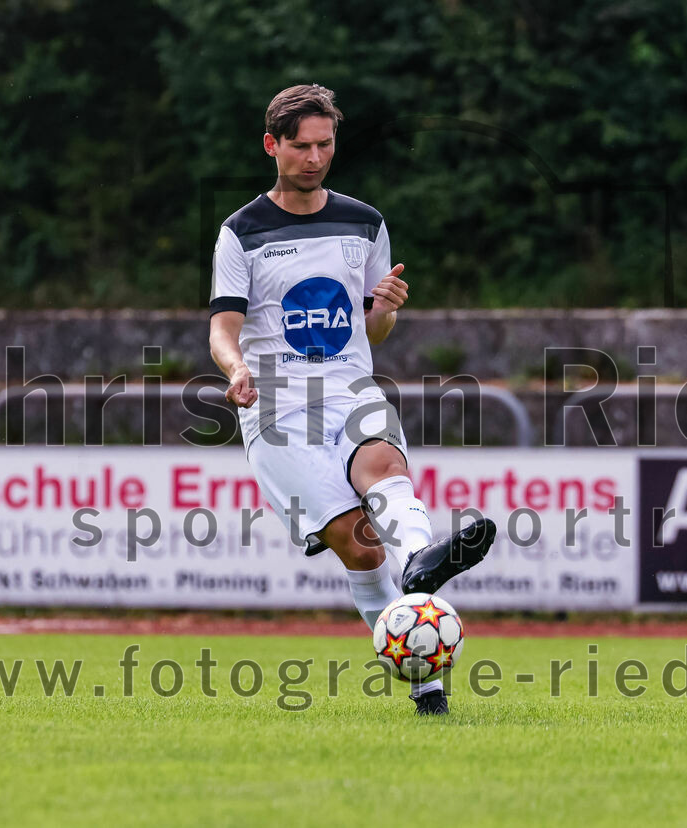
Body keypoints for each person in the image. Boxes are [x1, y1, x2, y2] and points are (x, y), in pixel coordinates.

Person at [208, 84, 496, 715]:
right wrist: (235, 370)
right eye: (301, 146)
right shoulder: (242, 232)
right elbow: (222, 329)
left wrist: (385, 311)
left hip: (349, 385)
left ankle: (420, 561)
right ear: (272, 146)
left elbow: (371, 331)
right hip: (276, 405)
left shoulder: (365, 222)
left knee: (384, 468)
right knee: (360, 545)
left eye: (325, 144)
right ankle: (424, 681)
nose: (315, 158)